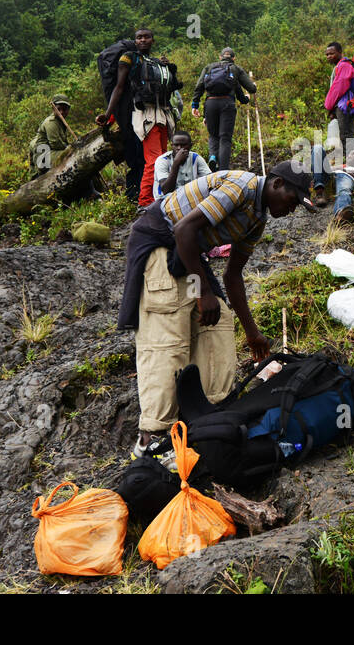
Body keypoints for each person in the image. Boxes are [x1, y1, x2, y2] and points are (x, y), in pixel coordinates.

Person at [116, 161, 315, 465]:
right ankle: (151, 440)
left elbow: (233, 276)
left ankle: (207, 419)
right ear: (276, 184)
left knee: (218, 320)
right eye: (291, 200)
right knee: (168, 337)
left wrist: (252, 333)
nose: (291, 210)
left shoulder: (257, 219)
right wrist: (202, 293)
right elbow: (183, 229)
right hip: (161, 240)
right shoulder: (242, 187)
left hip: (187, 253)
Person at [97, 28, 179, 207]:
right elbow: (118, 88)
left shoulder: (155, 62)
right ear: (135, 41)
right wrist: (108, 113)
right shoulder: (128, 58)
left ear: (153, 40)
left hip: (160, 114)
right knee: (147, 159)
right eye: (139, 38)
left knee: (158, 158)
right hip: (140, 116)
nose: (142, 40)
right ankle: (143, 200)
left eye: (146, 37)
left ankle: (154, 196)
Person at [192, 46, 257, 171]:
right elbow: (250, 90)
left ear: (220, 57)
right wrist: (249, 95)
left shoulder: (209, 67)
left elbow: (199, 86)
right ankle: (223, 170)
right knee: (225, 138)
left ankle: (212, 157)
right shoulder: (235, 69)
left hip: (210, 104)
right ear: (234, 58)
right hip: (227, 104)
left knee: (213, 135)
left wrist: (195, 105)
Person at [313, 42, 354, 207]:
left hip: (344, 105)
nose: (328, 57)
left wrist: (328, 105)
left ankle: (350, 166)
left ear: (339, 52)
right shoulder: (340, 66)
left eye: (331, 53)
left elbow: (338, 88)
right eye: (326, 54)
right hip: (341, 105)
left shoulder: (345, 65)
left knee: (346, 134)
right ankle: (348, 162)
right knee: (343, 134)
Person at [153, 131, 212, 199]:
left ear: (190, 146)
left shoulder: (195, 158)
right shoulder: (163, 160)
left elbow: (209, 181)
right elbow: (166, 190)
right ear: (172, 145)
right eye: (176, 145)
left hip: (190, 197)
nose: (179, 148)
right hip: (166, 199)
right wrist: (176, 163)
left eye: (183, 145)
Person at [28, 95, 75, 179]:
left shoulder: (60, 122)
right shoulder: (51, 122)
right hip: (43, 156)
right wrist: (71, 148)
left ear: (68, 110)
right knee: (72, 157)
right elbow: (55, 144)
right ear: (54, 109)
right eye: (59, 109)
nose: (61, 112)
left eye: (64, 109)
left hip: (49, 153)